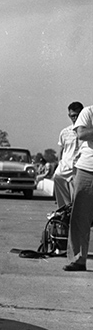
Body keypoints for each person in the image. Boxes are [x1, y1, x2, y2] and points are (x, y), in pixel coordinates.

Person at [64, 104, 93, 272]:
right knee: (80, 216)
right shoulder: (88, 112)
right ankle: (78, 259)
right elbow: (82, 133)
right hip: (87, 170)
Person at [53, 102, 83, 208]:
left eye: (77, 115)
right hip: (66, 166)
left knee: (78, 196)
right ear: (69, 115)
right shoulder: (65, 132)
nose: (75, 118)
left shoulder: (87, 132)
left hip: (80, 167)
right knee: (57, 177)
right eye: (72, 116)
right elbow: (61, 150)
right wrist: (59, 164)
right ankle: (64, 210)